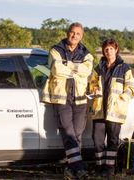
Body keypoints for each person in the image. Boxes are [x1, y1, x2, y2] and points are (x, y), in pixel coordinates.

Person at [42, 22, 93, 179]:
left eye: (78, 34)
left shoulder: (86, 53)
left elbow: (87, 70)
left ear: (81, 36)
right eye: (72, 32)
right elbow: (56, 70)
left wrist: (68, 66)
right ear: (67, 32)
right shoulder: (55, 50)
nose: (74, 36)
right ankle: (79, 168)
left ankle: (72, 169)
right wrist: (76, 69)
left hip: (79, 99)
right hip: (62, 98)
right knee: (69, 133)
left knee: (77, 134)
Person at [89, 39, 134, 177]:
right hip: (99, 110)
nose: (108, 51)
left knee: (112, 141)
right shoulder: (98, 68)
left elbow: (131, 88)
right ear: (103, 51)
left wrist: (122, 98)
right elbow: (92, 84)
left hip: (115, 111)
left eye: (111, 48)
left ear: (116, 50)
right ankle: (99, 166)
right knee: (97, 140)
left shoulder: (124, 68)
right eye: (106, 49)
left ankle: (109, 168)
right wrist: (94, 89)